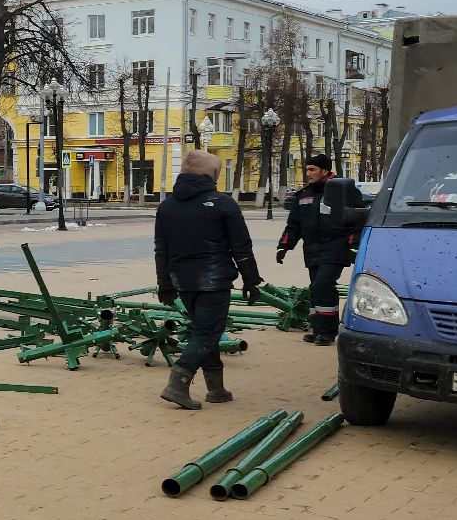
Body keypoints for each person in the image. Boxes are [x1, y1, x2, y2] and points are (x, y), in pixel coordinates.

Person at [154, 149, 263, 410]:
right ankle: (178, 382)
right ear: (212, 173)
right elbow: (241, 247)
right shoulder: (223, 203)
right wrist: (251, 279)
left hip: (182, 281)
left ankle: (216, 389)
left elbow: (161, 250)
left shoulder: (167, 206)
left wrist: (165, 284)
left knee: (204, 331)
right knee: (208, 332)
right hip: (214, 280)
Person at [277, 153, 366, 346]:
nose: (308, 173)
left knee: (323, 286)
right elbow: (294, 225)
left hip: (336, 248)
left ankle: (327, 333)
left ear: (324, 171)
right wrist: (284, 245)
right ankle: (318, 330)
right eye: (307, 169)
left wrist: (354, 246)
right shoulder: (304, 195)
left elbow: (358, 221)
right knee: (315, 289)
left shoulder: (344, 191)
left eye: (312, 170)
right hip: (312, 250)